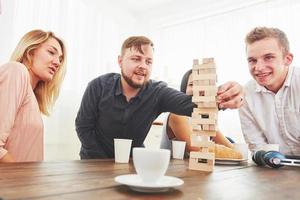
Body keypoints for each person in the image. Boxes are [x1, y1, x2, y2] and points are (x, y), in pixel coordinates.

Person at [75, 36, 244, 159]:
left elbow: (189, 104)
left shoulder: (157, 91)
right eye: (136, 59)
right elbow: (83, 127)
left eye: (148, 61)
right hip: (94, 161)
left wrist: (223, 97)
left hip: (133, 163)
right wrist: (102, 161)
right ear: (120, 61)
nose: (143, 66)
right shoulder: (98, 86)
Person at [0, 29, 66, 162]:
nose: (58, 63)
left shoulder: (32, 96)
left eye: (60, 59)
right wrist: (21, 179)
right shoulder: (16, 71)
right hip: (14, 181)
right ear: (30, 51)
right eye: (51, 52)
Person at [239, 27, 300, 156]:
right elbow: (258, 147)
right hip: (276, 169)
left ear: (287, 59)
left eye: (268, 57)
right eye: (252, 60)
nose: (259, 68)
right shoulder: (246, 95)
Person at [160, 69, 234, 153]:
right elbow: (197, 149)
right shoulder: (177, 115)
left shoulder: (205, 118)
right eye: (192, 84)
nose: (198, 89)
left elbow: (231, 148)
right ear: (184, 89)